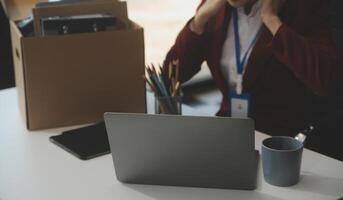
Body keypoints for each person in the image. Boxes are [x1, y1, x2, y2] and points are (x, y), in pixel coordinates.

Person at [164, 0, 343, 160]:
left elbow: (326, 81)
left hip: (279, 144)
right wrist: (198, 21)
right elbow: (170, 78)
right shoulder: (216, 8)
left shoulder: (301, 8)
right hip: (227, 134)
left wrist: (272, 20)